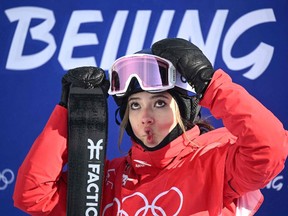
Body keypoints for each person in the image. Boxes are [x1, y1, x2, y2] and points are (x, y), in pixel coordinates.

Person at [13, 38, 288, 215]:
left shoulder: (216, 159)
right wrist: (69, 112)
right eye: (134, 105)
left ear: (185, 109)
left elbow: (270, 147)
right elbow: (33, 195)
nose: (145, 117)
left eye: (158, 103)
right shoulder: (105, 177)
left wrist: (210, 83)